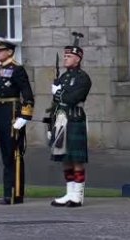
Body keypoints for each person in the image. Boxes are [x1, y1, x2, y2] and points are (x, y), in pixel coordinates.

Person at [50, 33, 92, 208]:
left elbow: (73, 98)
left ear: (77, 59)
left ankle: (78, 195)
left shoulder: (83, 78)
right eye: (65, 56)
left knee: (76, 159)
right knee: (65, 158)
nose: (66, 59)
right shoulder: (63, 77)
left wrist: (59, 93)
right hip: (61, 120)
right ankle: (69, 193)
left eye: (69, 56)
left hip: (74, 119)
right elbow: (57, 102)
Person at [0, 38, 35, 205]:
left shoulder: (17, 69)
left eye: (1, 50)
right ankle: (7, 194)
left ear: (9, 52)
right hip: (1, 112)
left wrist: (24, 117)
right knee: (5, 153)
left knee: (14, 153)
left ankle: (15, 194)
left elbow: (28, 95)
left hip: (12, 113)